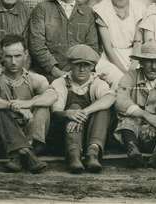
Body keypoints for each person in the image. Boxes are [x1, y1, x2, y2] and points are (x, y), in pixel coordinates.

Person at [0, 34, 58, 173]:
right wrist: (11, 106)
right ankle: (26, 152)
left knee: (42, 107)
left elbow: (52, 96)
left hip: (32, 140)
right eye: (8, 56)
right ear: (1, 56)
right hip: (1, 145)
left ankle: (21, 153)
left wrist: (27, 104)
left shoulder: (35, 78)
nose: (13, 62)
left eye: (18, 56)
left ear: (26, 54)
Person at [51, 44, 120, 173]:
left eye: (86, 65)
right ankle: (74, 155)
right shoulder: (61, 82)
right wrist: (68, 114)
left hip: (91, 134)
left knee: (103, 110)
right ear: (70, 65)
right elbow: (55, 111)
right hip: (66, 135)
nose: (82, 69)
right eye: (78, 65)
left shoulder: (96, 82)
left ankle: (92, 153)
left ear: (92, 67)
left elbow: (109, 98)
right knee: (74, 107)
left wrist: (84, 112)